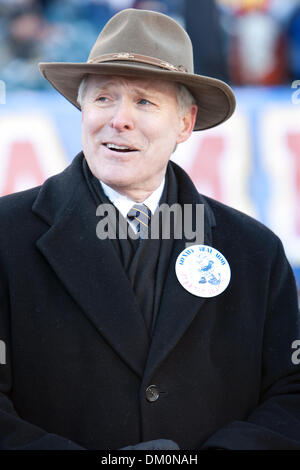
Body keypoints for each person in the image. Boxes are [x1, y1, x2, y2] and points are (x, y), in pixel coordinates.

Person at [0, 8, 300, 451]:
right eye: (104, 98)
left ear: (185, 123)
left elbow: (290, 394)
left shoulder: (254, 251)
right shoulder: (7, 237)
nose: (119, 118)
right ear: (82, 108)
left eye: (144, 101)